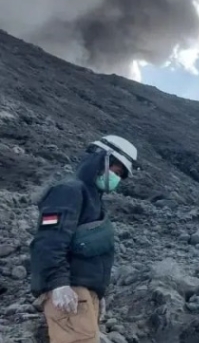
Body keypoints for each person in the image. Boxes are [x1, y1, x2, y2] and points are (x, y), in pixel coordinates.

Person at [29, 135, 138, 343]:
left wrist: (98, 293)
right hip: (69, 290)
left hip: (82, 293)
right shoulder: (69, 191)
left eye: (119, 174)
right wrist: (58, 284)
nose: (114, 177)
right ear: (99, 160)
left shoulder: (93, 198)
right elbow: (49, 240)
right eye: (113, 170)